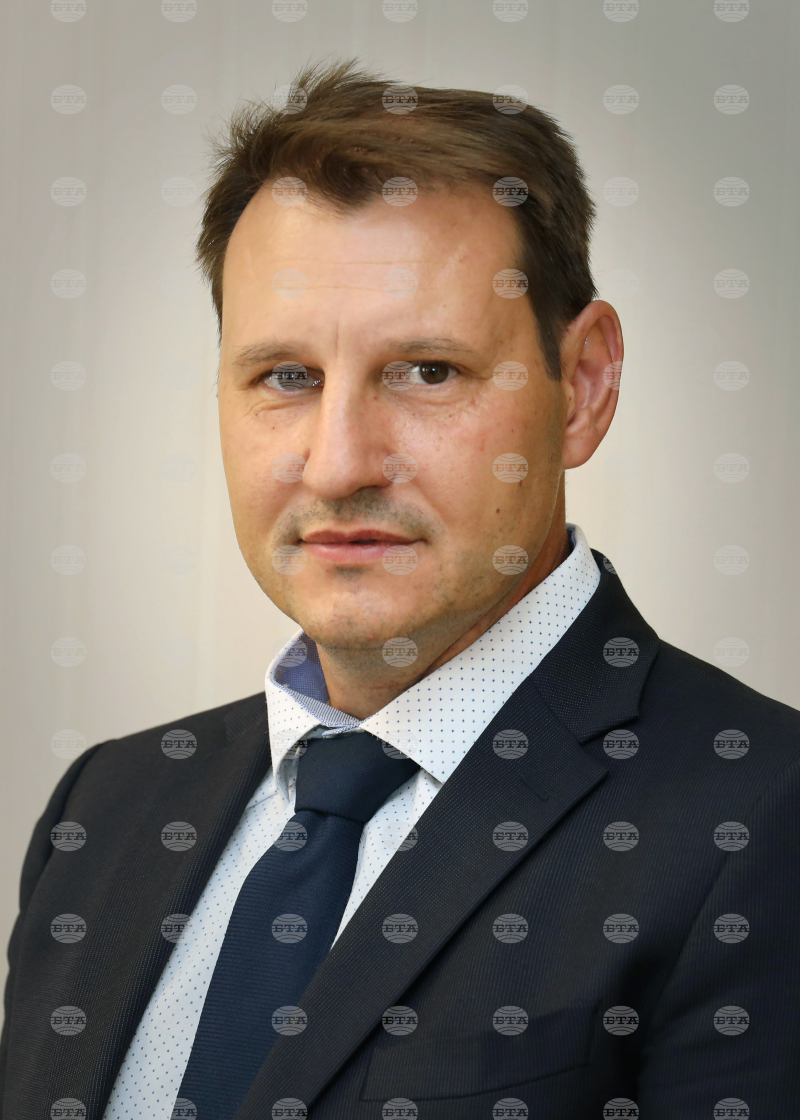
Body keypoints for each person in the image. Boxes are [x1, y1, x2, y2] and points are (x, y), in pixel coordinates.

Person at [2, 57, 798, 1120]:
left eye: (426, 371)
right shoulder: (105, 808)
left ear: (582, 387)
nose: (338, 465)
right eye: (286, 376)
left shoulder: (759, 821)